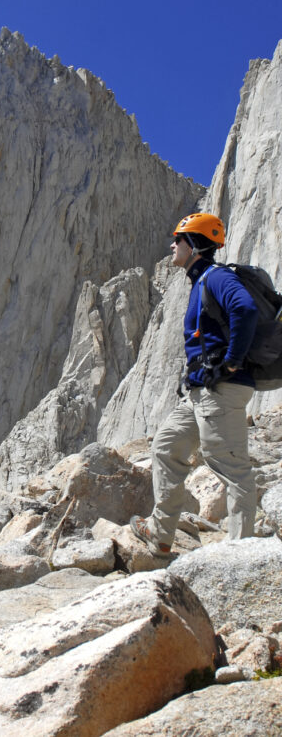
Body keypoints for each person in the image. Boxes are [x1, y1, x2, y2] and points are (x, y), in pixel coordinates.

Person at [130, 212, 259, 557]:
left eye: (178, 239)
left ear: (195, 244)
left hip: (222, 388)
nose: (172, 245)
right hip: (201, 392)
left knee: (231, 468)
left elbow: (245, 310)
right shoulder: (201, 280)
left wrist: (231, 360)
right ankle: (160, 533)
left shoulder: (217, 277)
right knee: (166, 447)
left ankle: (241, 556)